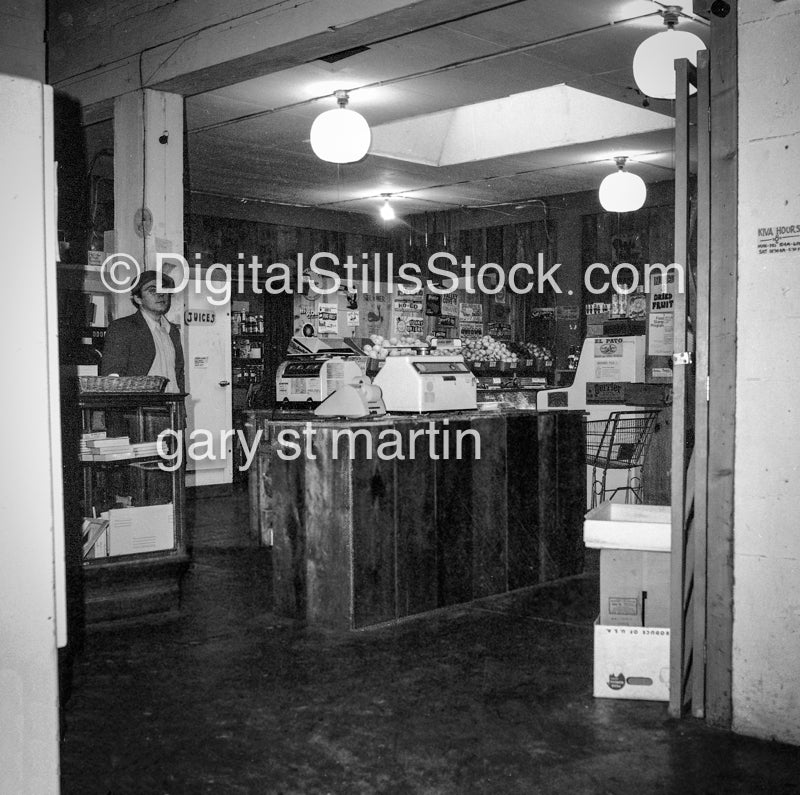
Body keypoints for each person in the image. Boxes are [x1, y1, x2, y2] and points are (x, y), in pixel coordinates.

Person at [100, 270, 185, 393]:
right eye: (152, 290)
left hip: (171, 409)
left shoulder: (172, 331)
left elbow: (179, 378)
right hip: (140, 409)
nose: (160, 295)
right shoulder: (123, 328)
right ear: (138, 299)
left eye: (164, 290)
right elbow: (112, 378)